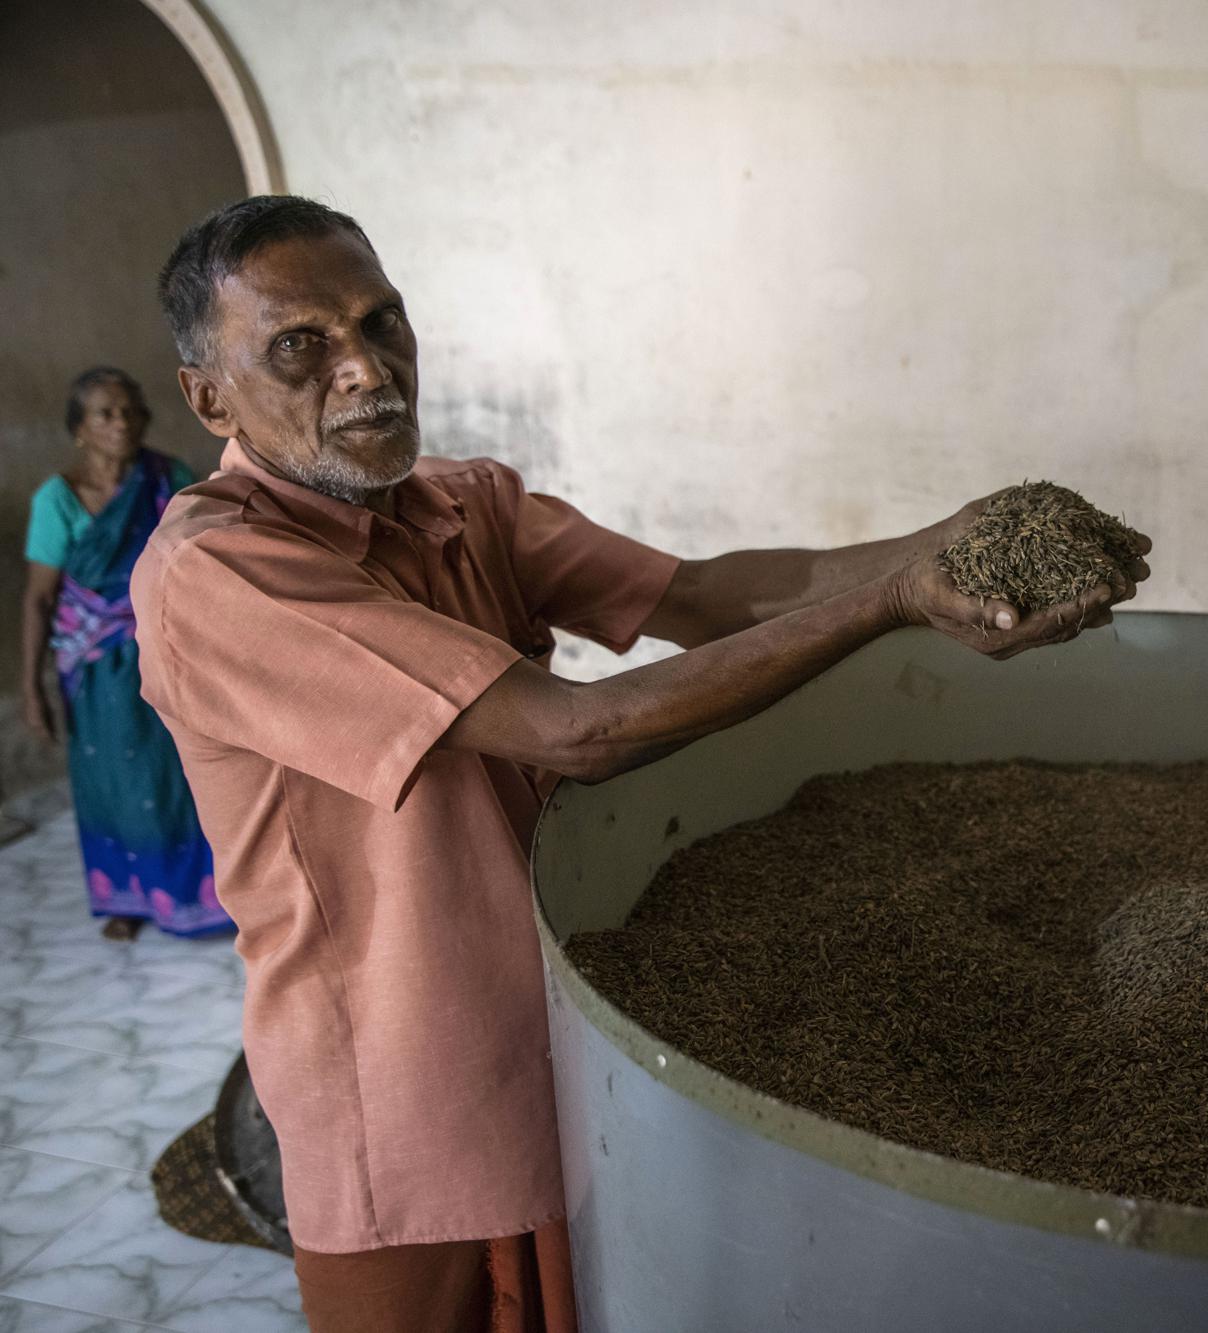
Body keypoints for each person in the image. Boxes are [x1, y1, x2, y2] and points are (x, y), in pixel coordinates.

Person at [132, 195, 1148, 1333]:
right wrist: (894, 602)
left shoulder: (465, 505)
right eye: (301, 346)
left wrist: (949, 539)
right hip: (401, 1085)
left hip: (565, 1031)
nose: (366, 370)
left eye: (383, 324)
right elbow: (579, 730)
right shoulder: (218, 574)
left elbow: (705, 597)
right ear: (208, 395)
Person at [19, 367, 225, 941]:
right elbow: (39, 599)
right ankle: (127, 897)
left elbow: (192, 569)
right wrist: (32, 686)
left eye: (131, 410)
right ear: (79, 429)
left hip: (165, 647)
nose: (122, 422)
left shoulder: (169, 479)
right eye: (105, 413)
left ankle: (201, 891)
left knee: (178, 773)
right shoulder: (57, 501)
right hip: (93, 665)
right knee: (110, 777)